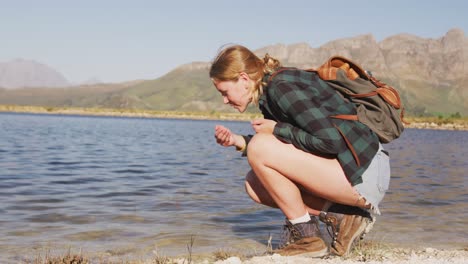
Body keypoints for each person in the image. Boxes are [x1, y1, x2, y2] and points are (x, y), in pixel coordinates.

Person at [210, 45, 391, 257]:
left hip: (363, 172)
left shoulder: (281, 88)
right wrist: (237, 141)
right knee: (255, 184)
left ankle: (307, 239)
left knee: (260, 146)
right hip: (351, 168)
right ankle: (344, 218)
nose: (224, 100)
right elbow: (291, 147)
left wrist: (276, 129)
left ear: (243, 79)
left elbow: (331, 142)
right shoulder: (271, 93)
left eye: (224, 92)